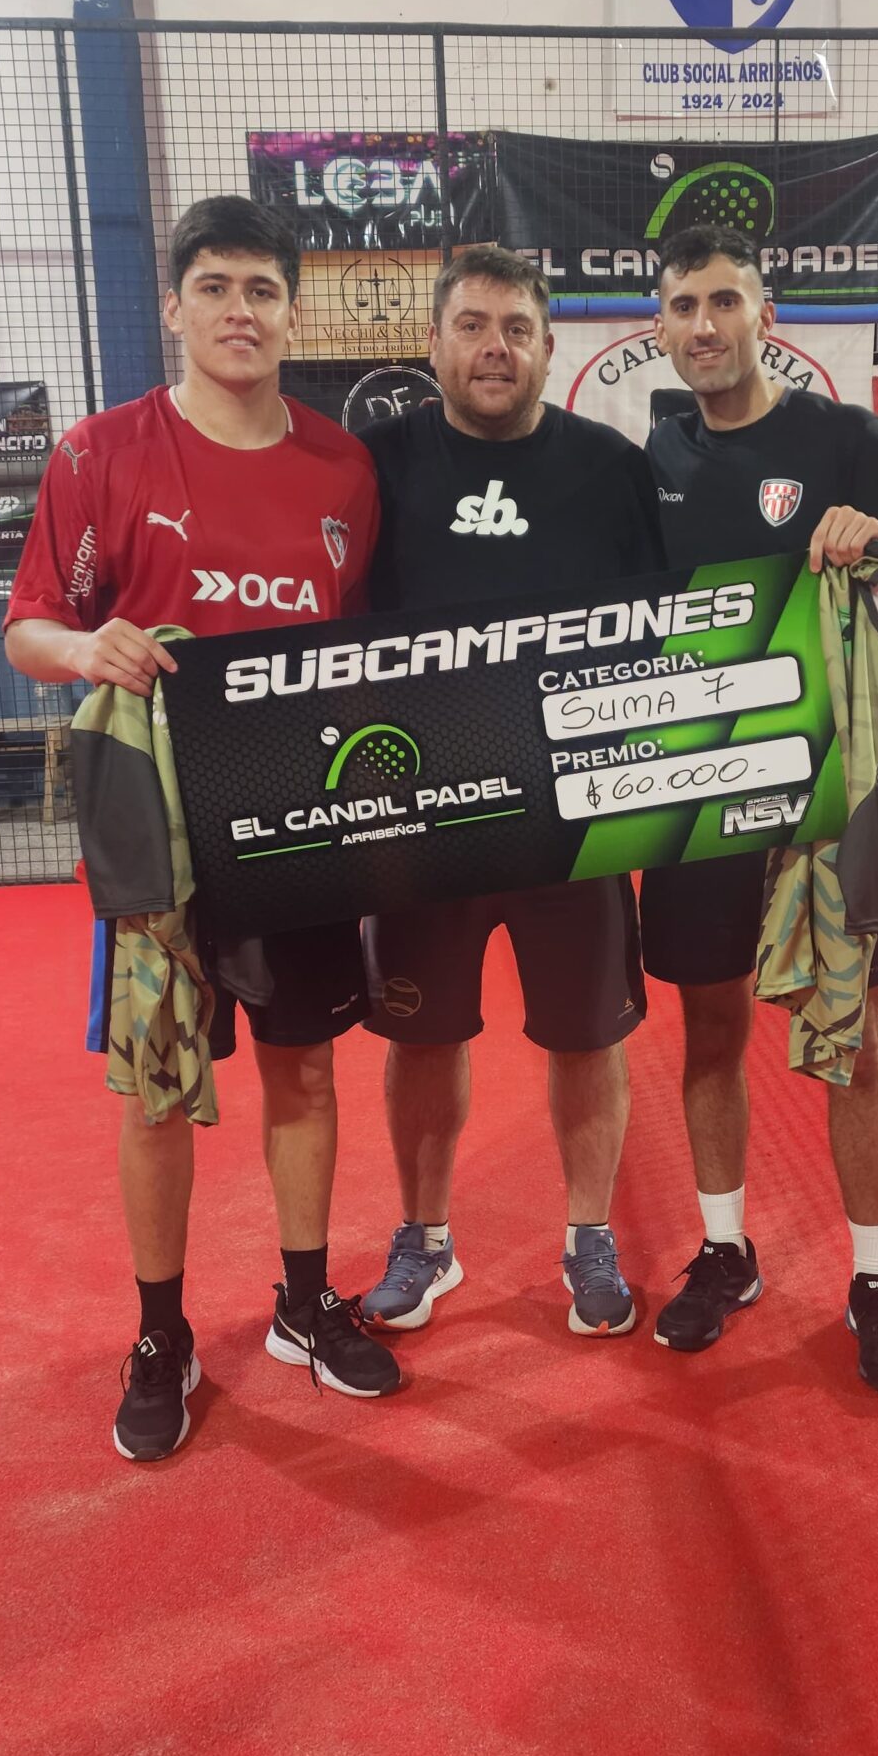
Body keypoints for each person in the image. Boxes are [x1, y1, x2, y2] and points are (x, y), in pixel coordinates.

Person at [4, 194, 400, 1463]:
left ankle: (302, 1301)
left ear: (293, 313)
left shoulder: (343, 470)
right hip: (155, 831)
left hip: (299, 823)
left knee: (304, 1067)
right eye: (216, 287)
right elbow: (28, 630)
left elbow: (367, 648)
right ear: (173, 305)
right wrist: (87, 647)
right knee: (158, 1094)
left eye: (262, 290)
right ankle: (161, 1332)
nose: (241, 310)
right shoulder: (99, 454)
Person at [641, 225, 878, 1389]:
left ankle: (875, 1279)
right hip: (694, 796)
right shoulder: (654, 453)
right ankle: (726, 1250)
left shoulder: (839, 438)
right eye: (684, 305)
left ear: (767, 314)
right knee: (708, 1031)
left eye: (724, 301)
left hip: (827, 798)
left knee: (854, 1043)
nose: (704, 324)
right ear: (659, 324)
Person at [356, 244, 664, 1339]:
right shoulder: (371, 463)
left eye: (516, 329)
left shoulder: (610, 468)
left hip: (569, 818)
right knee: (421, 1037)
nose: (495, 348)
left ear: (547, 345)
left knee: (587, 1037)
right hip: (417, 823)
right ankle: (424, 1240)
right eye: (473, 325)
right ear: (434, 340)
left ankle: (589, 1238)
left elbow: (658, 633)